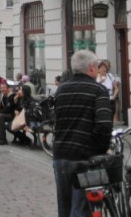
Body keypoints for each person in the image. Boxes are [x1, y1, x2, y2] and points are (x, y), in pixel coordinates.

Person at [52, 50, 113, 217]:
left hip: (61, 155)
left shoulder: (61, 90)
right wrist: (100, 151)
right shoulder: (98, 90)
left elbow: (56, 121)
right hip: (84, 158)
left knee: (64, 209)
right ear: (92, 67)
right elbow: (104, 125)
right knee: (81, 209)